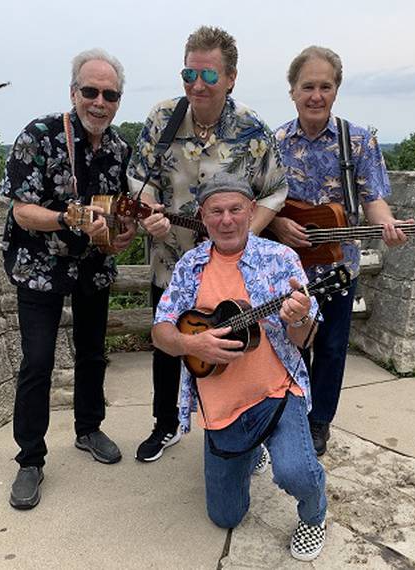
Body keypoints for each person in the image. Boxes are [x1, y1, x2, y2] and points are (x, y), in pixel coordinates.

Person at [128, 26, 288, 462]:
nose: (197, 85)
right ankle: (166, 425)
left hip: (233, 266)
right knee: (170, 343)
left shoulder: (253, 128)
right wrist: (150, 216)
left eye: (209, 76)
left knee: (240, 345)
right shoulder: (162, 119)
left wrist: (247, 233)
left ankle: (247, 427)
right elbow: (137, 181)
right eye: (189, 74)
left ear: (231, 78)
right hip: (172, 259)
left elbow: (275, 189)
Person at [152, 172, 328, 561]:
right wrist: (190, 342)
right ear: (203, 215)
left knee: (295, 472)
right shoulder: (191, 265)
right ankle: (252, 451)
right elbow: (160, 330)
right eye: (216, 211)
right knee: (225, 516)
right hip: (222, 406)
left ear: (251, 212)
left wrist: (298, 318)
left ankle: (314, 515)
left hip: (277, 392)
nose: (226, 220)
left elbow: (304, 340)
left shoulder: (280, 259)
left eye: (235, 209)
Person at [0, 48, 137, 509]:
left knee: (93, 353)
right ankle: (30, 461)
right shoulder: (38, 136)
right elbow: (21, 210)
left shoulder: (119, 149)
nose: (100, 101)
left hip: (92, 267)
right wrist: (71, 219)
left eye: (110, 94)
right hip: (40, 267)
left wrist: (118, 237)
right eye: (91, 91)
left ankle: (88, 428)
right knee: (38, 361)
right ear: (73, 91)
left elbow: (119, 216)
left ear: (118, 100)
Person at [271, 46, 408, 456]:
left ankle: (319, 422)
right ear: (293, 91)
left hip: (337, 267)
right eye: (308, 86)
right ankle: (288, 413)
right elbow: (261, 202)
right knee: (289, 342)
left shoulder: (359, 142)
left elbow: (374, 198)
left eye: (325, 87)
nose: (316, 95)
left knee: (330, 346)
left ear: (336, 91)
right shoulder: (274, 143)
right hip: (287, 266)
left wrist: (386, 221)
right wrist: (279, 223)